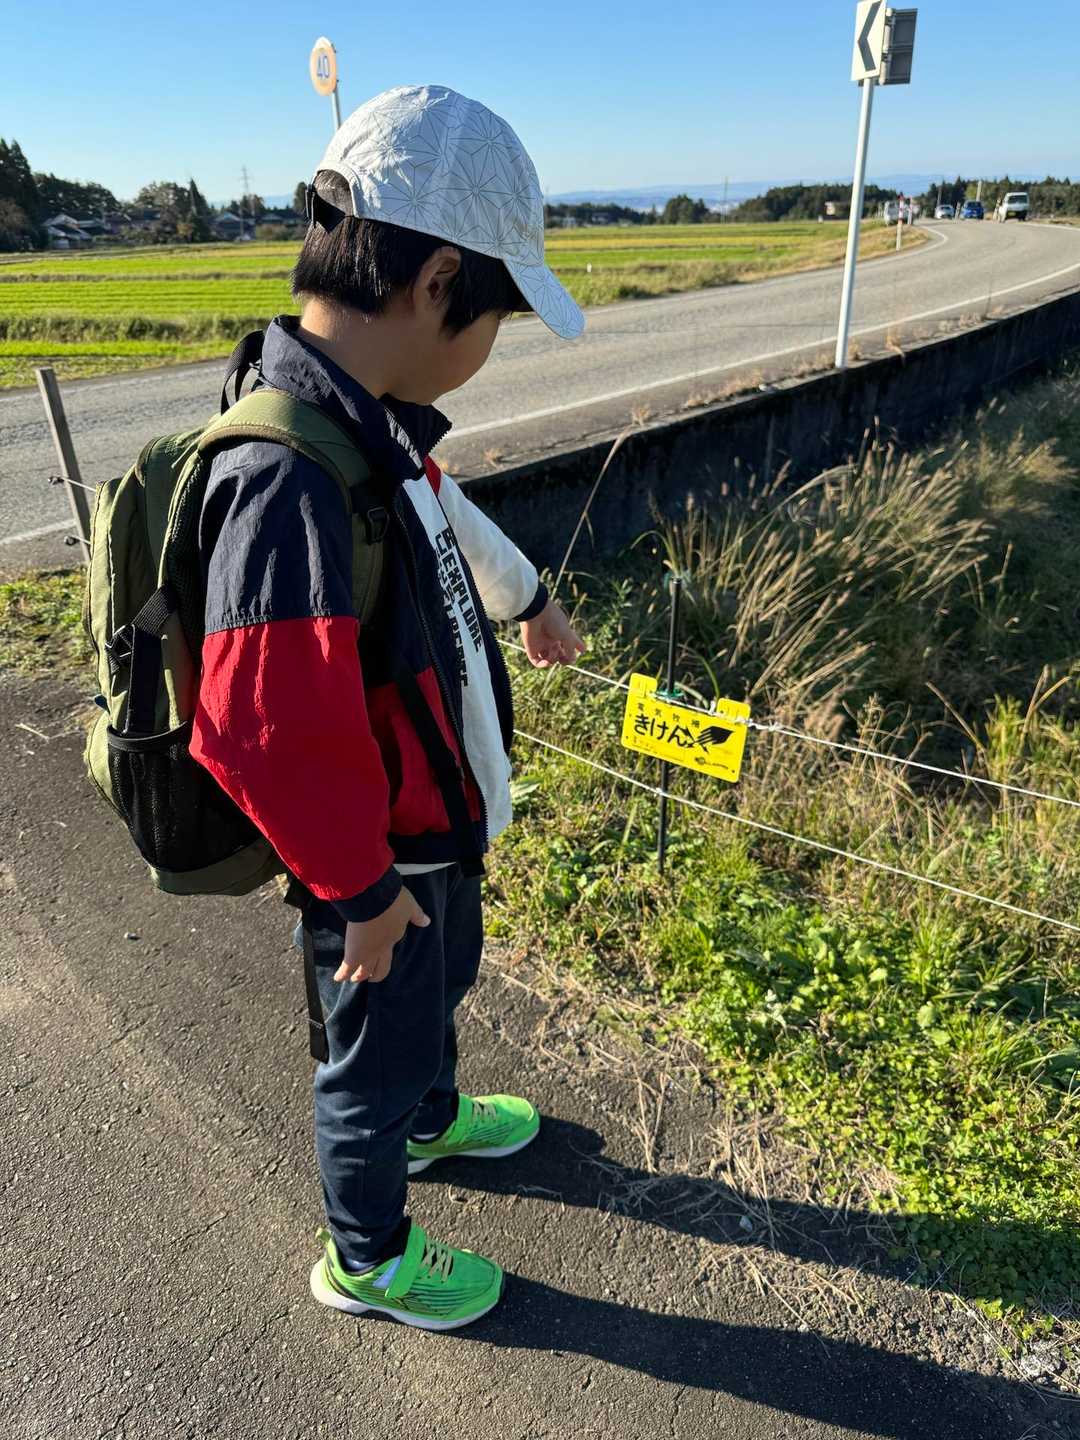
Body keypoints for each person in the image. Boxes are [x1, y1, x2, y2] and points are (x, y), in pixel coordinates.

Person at [190, 85, 586, 1330]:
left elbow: (449, 521)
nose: (490, 345)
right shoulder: (286, 475)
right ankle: (365, 1256)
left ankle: (432, 1117)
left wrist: (529, 600)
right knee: (368, 1056)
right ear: (436, 284)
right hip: (374, 864)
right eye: (498, 319)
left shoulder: (377, 431)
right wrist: (359, 893)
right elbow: (257, 727)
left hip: (428, 827)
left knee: (436, 992)